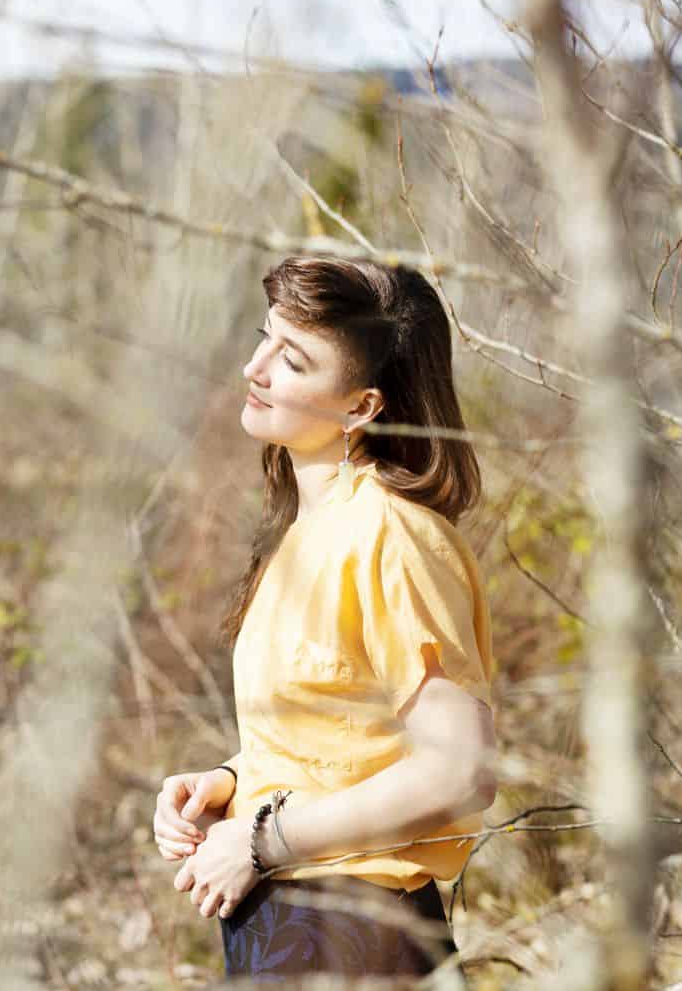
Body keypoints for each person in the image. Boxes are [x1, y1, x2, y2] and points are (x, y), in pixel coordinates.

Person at [152, 255, 498, 983]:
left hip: (353, 935)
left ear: (362, 406)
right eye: (264, 337)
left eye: (294, 360)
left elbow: (458, 769)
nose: (256, 366)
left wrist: (261, 840)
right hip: (289, 926)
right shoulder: (305, 529)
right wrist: (229, 781)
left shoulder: (395, 536)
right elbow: (343, 736)